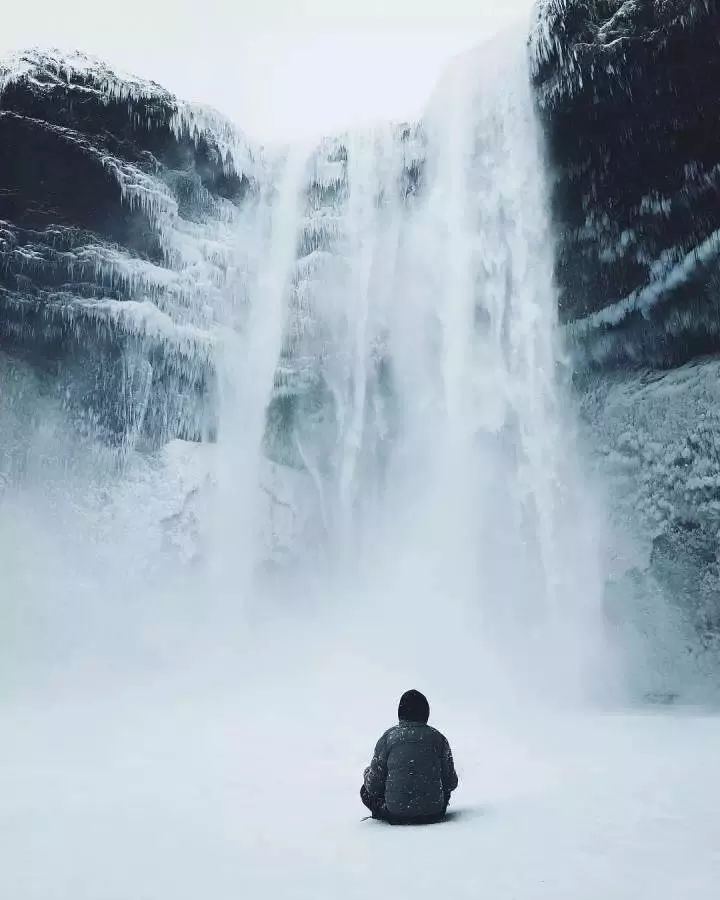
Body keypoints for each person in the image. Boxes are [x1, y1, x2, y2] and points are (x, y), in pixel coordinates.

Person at [360, 689, 458, 824]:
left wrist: (366, 773)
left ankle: (392, 813)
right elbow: (451, 783)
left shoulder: (388, 738)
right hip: (434, 812)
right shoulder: (439, 739)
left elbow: (373, 786)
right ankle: (424, 808)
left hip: (395, 814)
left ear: (400, 714)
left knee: (364, 791)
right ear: (426, 714)